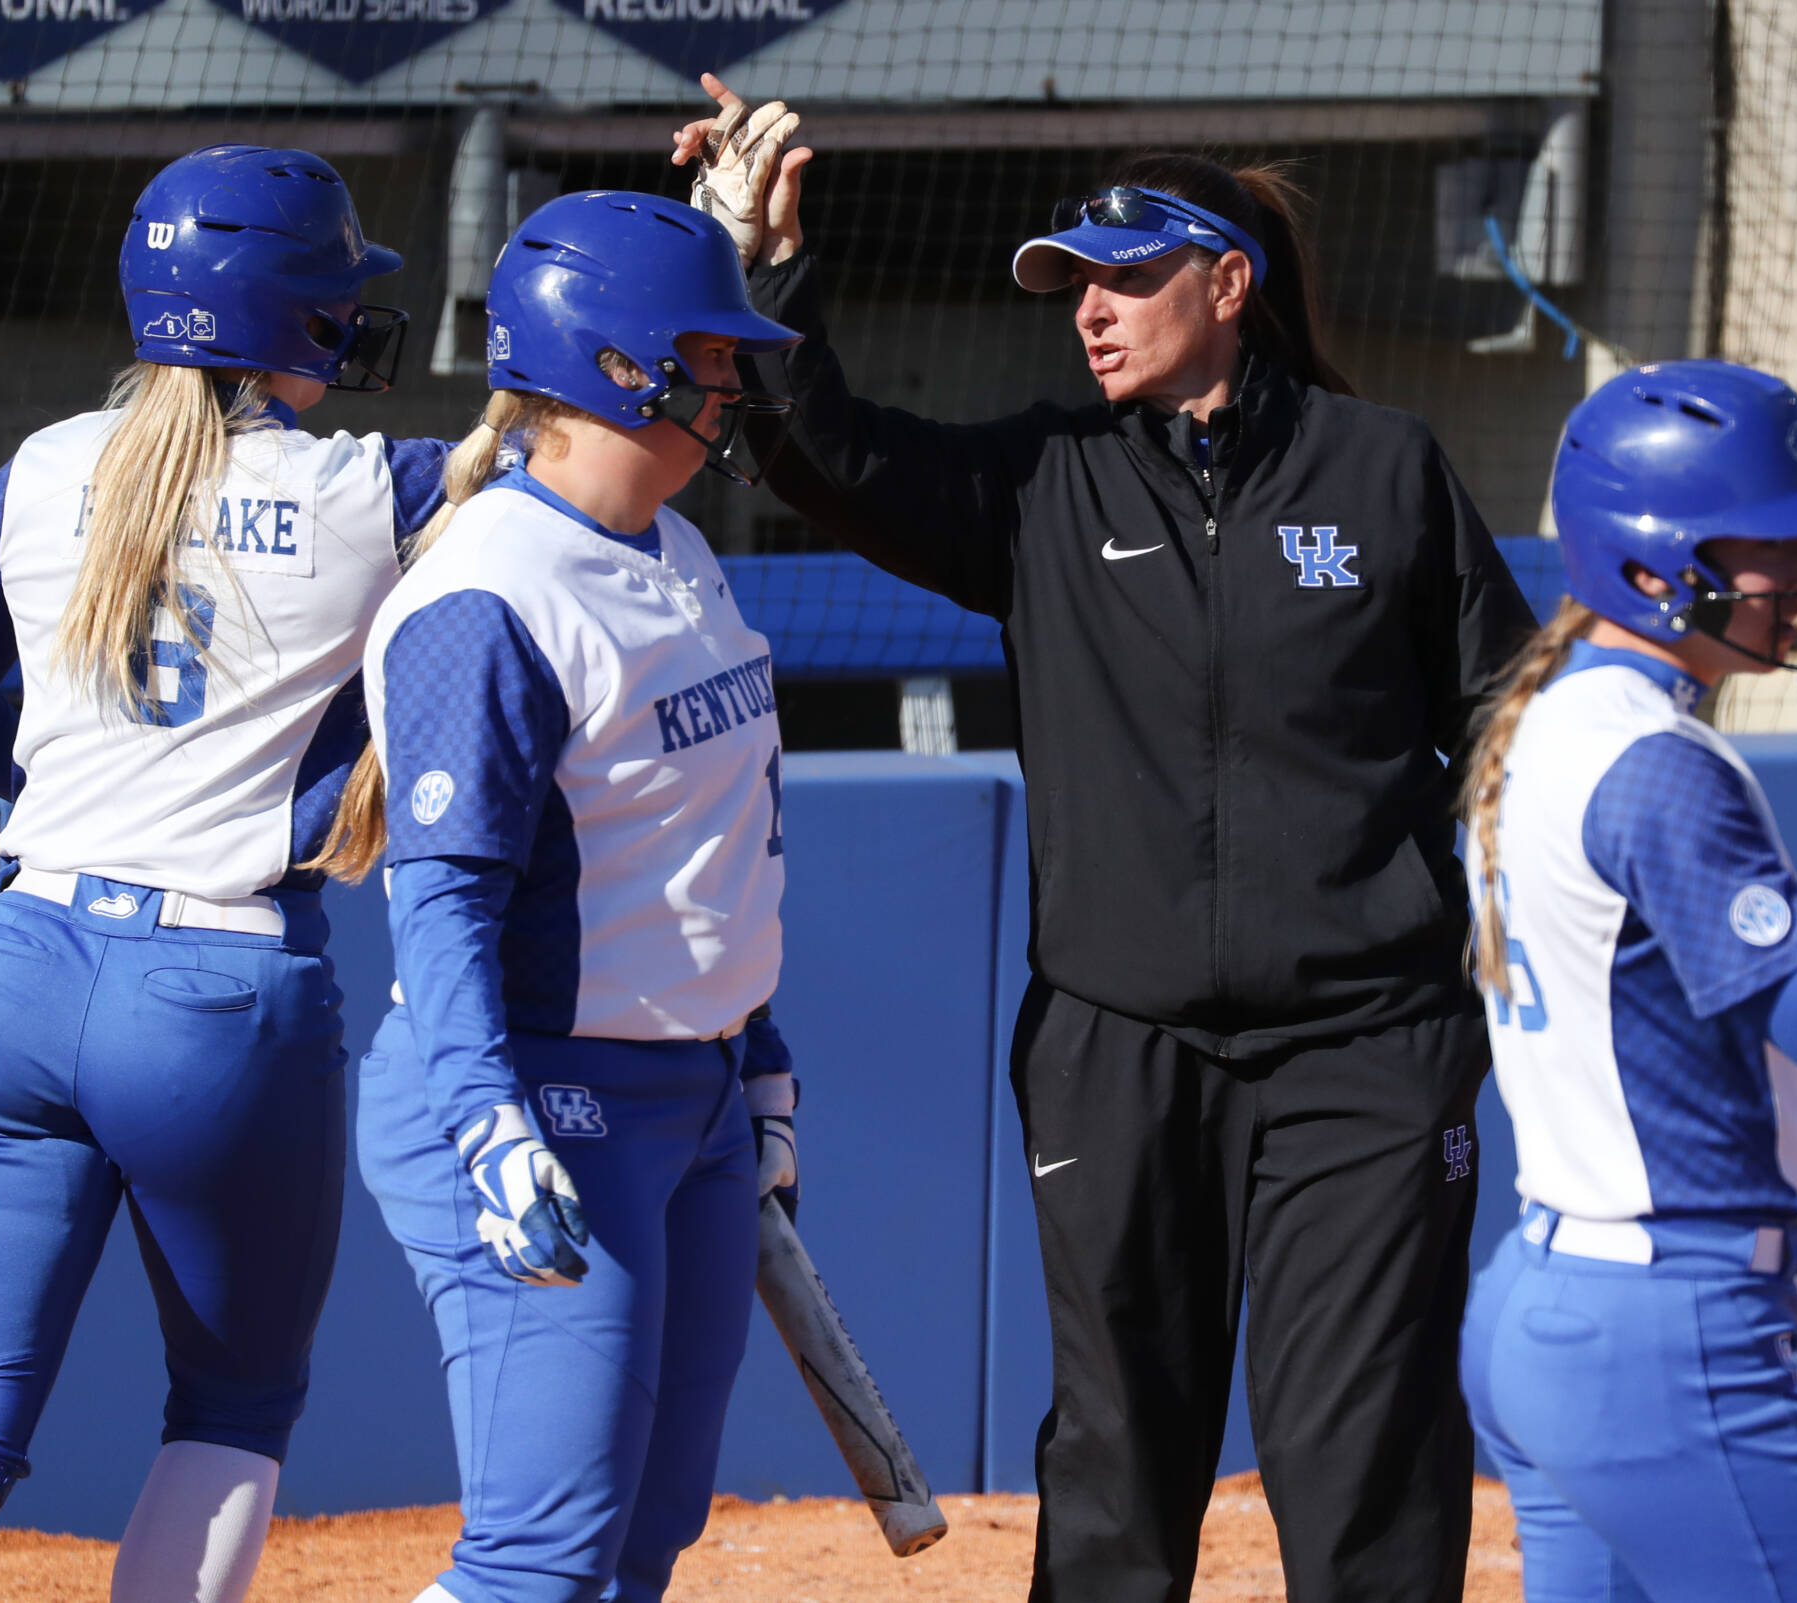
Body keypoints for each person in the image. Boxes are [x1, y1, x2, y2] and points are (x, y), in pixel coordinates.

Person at [671, 76, 1537, 1603]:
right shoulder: (1041, 483)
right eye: (1073, 283)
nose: (1090, 309)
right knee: (1120, 1461)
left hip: (1370, 1053)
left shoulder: (1386, 468)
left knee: (1371, 1456)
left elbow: (1514, 727)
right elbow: (823, 450)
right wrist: (760, 267)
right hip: (1118, 1049)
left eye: (1128, 278)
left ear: (1229, 283)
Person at [0, 144, 440, 1603]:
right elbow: (566, 462)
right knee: (231, 1410)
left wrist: (67, 785)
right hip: (222, 987)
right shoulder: (377, 485)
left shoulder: (43, 464)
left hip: (17, 964)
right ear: (292, 314)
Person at [308, 188, 803, 1603]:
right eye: (709, 355)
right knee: (540, 1553)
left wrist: (757, 1065)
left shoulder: (679, 550)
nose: (731, 384)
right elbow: (442, 908)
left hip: (691, 1097)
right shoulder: (493, 589)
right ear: (616, 362)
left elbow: (708, 852)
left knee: (645, 1532)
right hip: (536, 1094)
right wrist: (491, 1128)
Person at [1457, 359, 1797, 1603]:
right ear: (1656, 568)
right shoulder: (1656, 761)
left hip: (1550, 1302)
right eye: (1772, 545)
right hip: (1666, 1330)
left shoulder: (1547, 716)